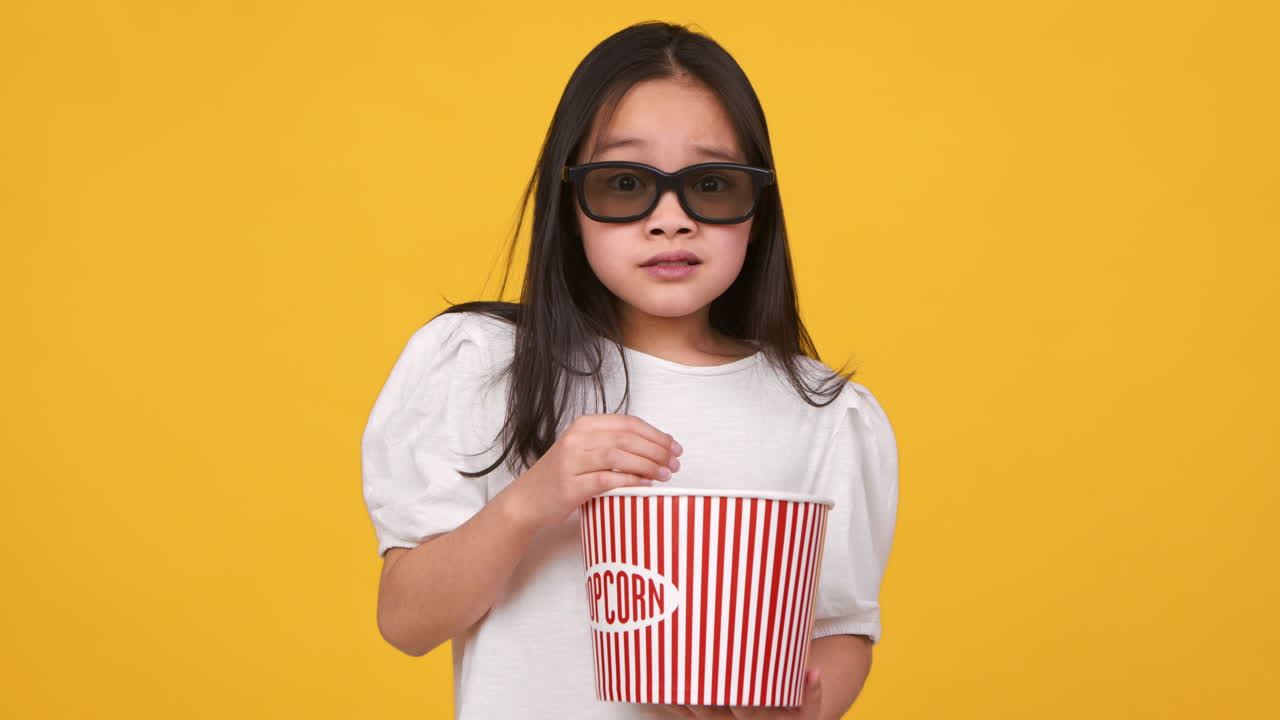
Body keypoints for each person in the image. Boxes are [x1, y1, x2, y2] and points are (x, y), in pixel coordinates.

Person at [360, 21, 899, 720]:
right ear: (570, 203)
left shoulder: (823, 413)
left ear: (759, 208)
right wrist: (532, 500)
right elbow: (407, 622)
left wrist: (805, 705)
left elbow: (841, 627)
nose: (670, 220)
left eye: (711, 184)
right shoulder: (484, 363)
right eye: (623, 184)